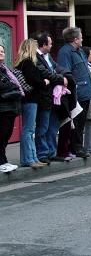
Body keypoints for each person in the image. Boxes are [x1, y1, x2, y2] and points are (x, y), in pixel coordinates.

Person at [56, 27, 91, 158]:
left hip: (86, 91)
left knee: (81, 122)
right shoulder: (65, 52)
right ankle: (75, 147)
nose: (82, 39)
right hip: (76, 92)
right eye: (81, 37)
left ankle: (78, 145)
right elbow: (65, 72)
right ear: (75, 39)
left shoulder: (80, 51)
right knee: (75, 122)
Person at [15, 39, 49, 169]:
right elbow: (35, 80)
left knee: (29, 129)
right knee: (28, 129)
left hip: (29, 99)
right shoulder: (28, 63)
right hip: (30, 99)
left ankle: (32, 157)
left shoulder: (21, 63)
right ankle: (29, 158)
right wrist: (44, 82)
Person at [34, 33, 66, 163]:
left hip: (53, 96)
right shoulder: (36, 58)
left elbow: (57, 68)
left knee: (53, 126)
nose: (52, 45)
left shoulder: (48, 57)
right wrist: (60, 79)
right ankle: (42, 153)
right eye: (50, 43)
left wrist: (66, 74)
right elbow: (45, 73)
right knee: (43, 126)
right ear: (44, 45)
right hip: (43, 97)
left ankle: (51, 152)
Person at [0, 43, 24, 172]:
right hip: (2, 109)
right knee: (2, 136)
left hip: (10, 108)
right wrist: (13, 91)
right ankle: (1, 162)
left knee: (6, 136)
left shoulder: (5, 69)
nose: (1, 53)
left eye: (2, 51)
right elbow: (4, 88)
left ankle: (3, 161)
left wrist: (12, 89)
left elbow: (15, 85)